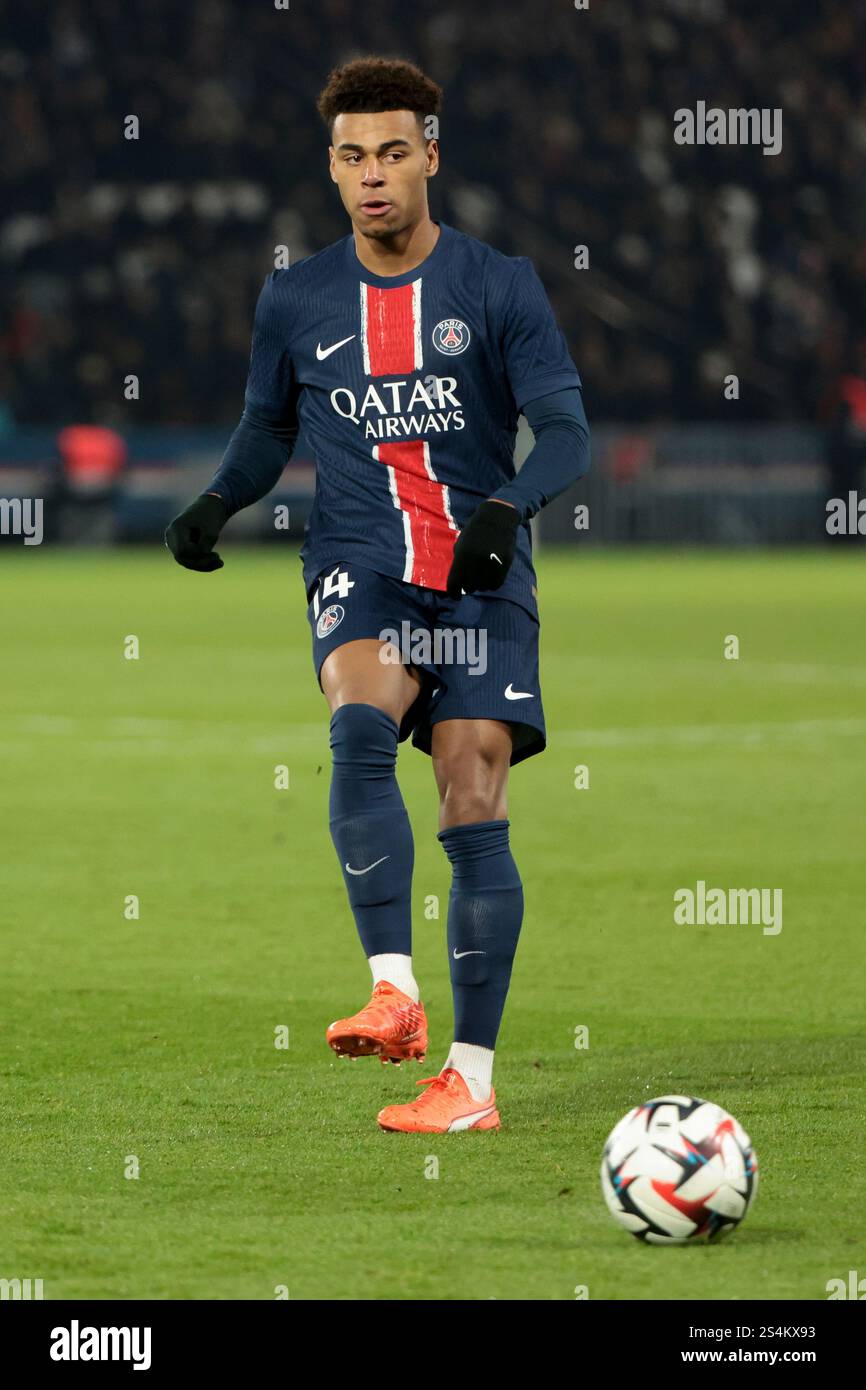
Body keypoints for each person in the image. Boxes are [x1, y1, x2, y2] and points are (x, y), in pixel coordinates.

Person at [166, 56, 590, 1133]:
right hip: (361, 561)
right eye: (352, 156)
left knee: (469, 796)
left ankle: (470, 1085)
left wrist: (504, 511)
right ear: (331, 166)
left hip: (479, 574)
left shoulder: (499, 284)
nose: (372, 176)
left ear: (430, 156)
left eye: (392, 152)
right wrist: (218, 500)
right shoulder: (295, 295)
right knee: (357, 724)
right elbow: (268, 428)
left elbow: (569, 433)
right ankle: (392, 989)